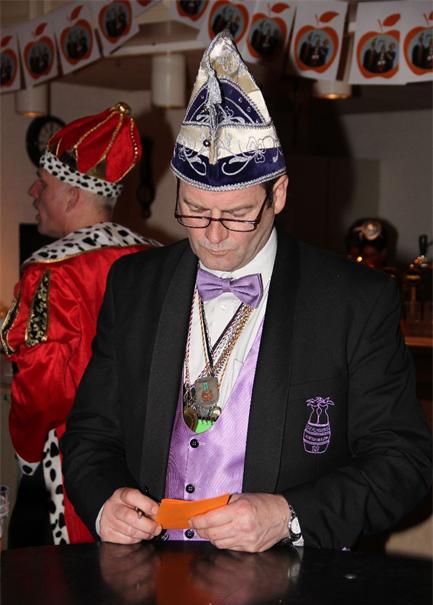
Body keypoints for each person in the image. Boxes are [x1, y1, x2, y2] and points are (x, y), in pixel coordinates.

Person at [62, 33, 431, 552]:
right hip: (149, 579)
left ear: (277, 194)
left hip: (290, 588)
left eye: (237, 215)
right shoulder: (134, 284)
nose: (213, 235)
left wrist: (289, 516)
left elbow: (405, 462)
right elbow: (91, 433)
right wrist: (104, 502)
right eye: (194, 210)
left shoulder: (355, 300)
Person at [1, 102, 159, 546]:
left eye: (43, 182)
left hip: (74, 469)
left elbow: (43, 387)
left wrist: (26, 453)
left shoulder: (51, 271)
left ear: (72, 195)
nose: (33, 191)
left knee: (61, 584)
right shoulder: (156, 260)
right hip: (151, 462)